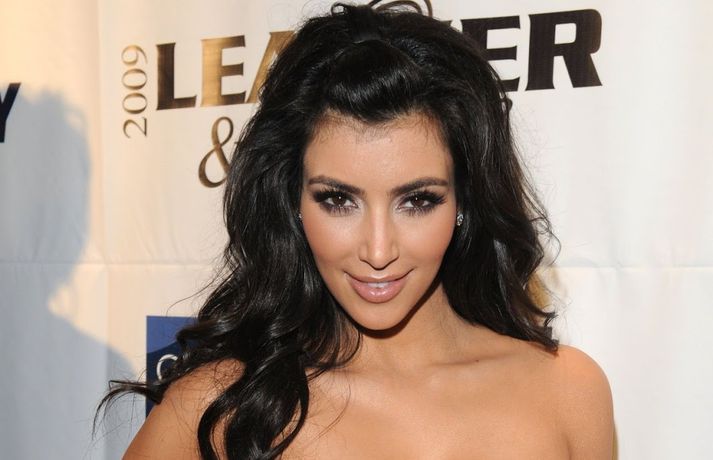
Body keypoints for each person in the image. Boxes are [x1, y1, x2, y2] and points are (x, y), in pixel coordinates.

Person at [103, 1, 614, 458]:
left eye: (417, 201)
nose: (378, 249)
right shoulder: (220, 405)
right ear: (292, 201)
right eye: (338, 200)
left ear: (464, 201)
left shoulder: (567, 391)